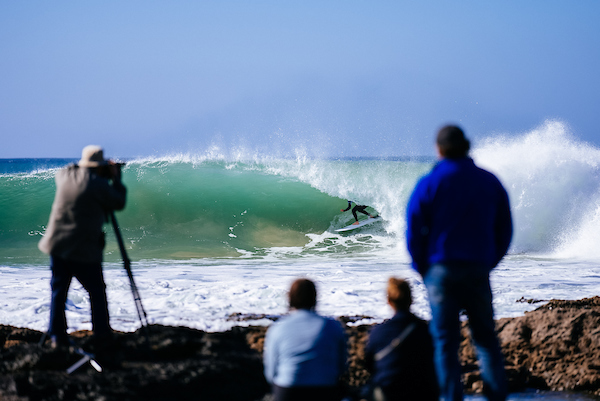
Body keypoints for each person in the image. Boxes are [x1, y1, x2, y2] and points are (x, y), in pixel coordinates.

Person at [406, 125, 513, 401]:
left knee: (445, 343)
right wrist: (489, 262)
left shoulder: (429, 183)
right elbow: (505, 229)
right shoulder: (489, 181)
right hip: (477, 268)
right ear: (467, 146)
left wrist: (423, 269)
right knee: (486, 340)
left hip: (440, 271)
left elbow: (413, 231)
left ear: (438, 149)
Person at [38, 145, 127, 349]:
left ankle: (57, 338)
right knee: (96, 291)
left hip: (57, 245)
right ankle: (102, 337)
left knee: (59, 291)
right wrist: (117, 179)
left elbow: (72, 168)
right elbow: (119, 202)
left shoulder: (63, 176)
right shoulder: (98, 185)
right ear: (99, 166)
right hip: (83, 250)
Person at [263, 278, 348, 401]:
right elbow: (341, 366)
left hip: (288, 390)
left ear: (290, 298)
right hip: (324, 390)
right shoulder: (332, 325)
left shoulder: (278, 328)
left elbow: (271, 374)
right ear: (314, 298)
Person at [364, 277, 438, 401]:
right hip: (421, 393)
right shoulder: (425, 329)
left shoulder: (378, 331)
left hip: (389, 392)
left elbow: (369, 365)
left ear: (389, 300)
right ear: (411, 299)